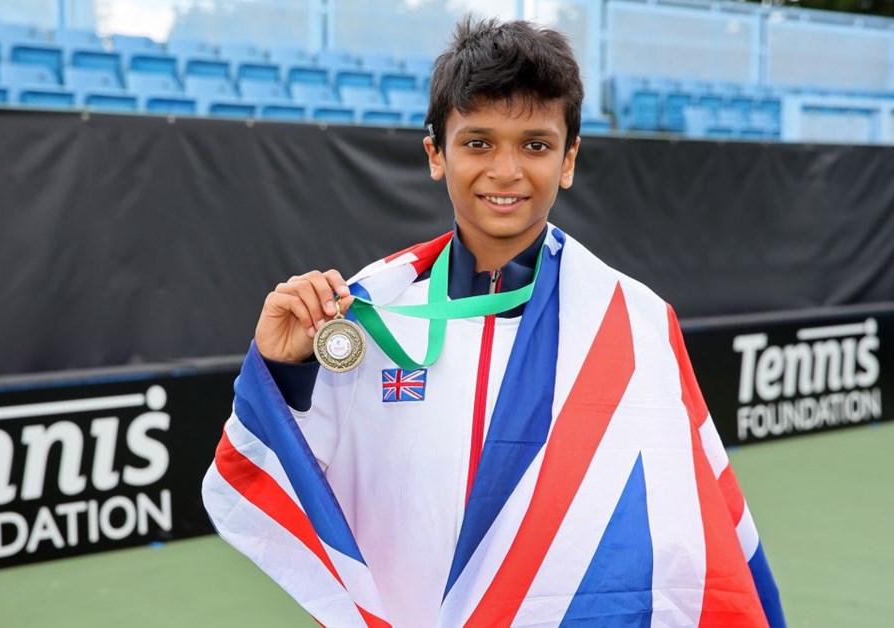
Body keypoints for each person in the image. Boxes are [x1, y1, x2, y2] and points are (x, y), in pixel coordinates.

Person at [203, 16, 784, 628]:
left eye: (535, 145)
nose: (505, 171)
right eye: (478, 142)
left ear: (569, 159)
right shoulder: (368, 316)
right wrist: (283, 371)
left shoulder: (635, 321)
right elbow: (289, 481)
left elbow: (694, 526)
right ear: (436, 154)